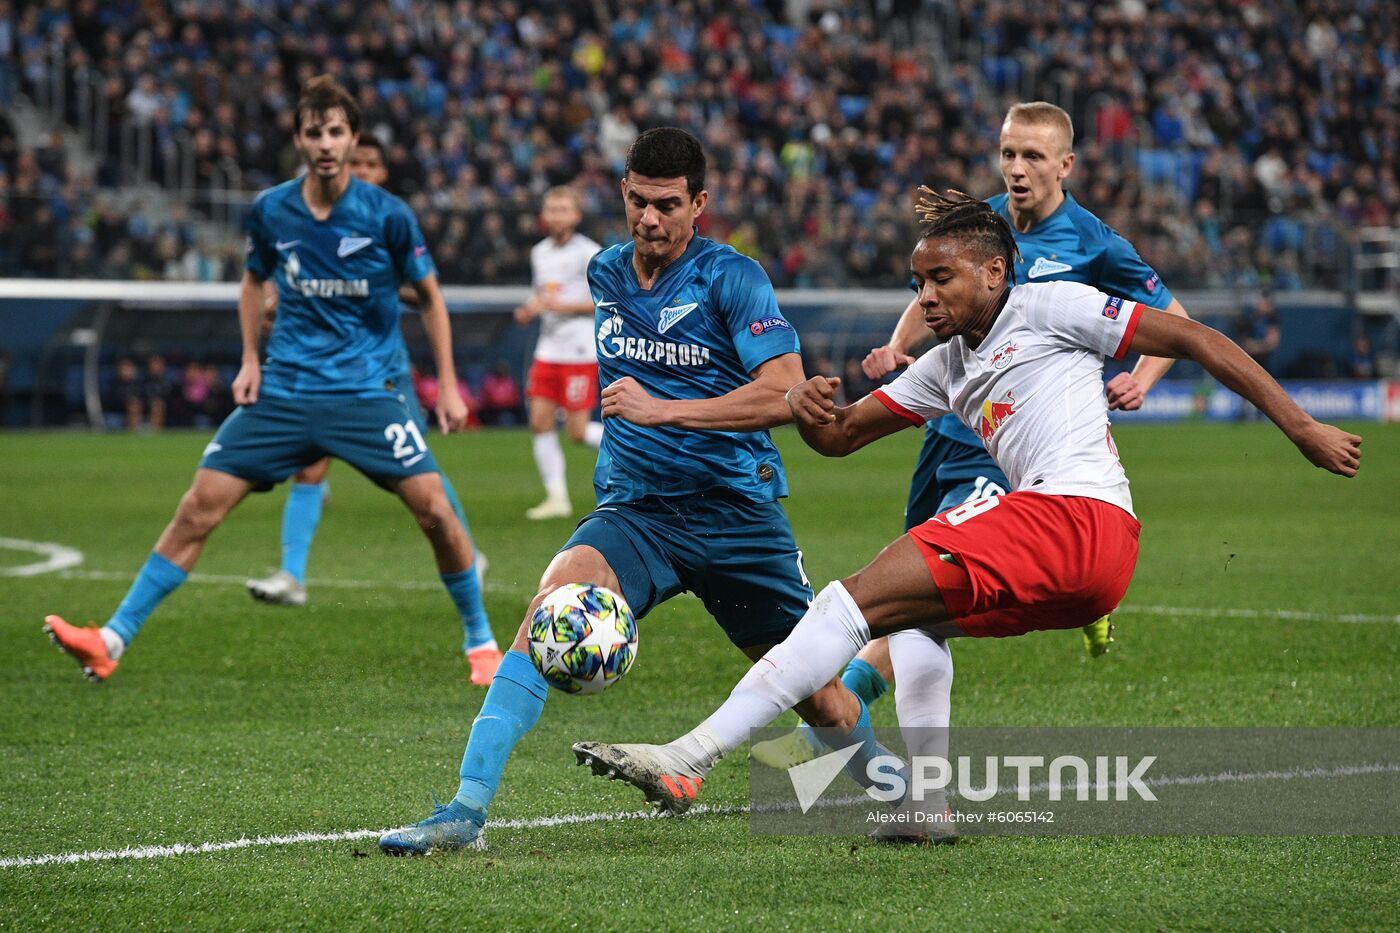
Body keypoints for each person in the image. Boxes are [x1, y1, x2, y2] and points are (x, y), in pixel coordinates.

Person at [574, 190, 1362, 841]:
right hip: (1086, 565)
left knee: (847, 602)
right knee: (914, 623)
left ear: (993, 271)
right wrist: (803, 405)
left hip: (1075, 517)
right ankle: (925, 806)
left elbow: (1193, 337)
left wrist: (1301, 427)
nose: (925, 298)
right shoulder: (945, 368)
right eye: (918, 283)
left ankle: (690, 753)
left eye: (941, 279)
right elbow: (842, 435)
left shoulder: (1053, 304)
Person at [378, 127, 874, 856]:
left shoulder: (733, 278)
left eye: (668, 205)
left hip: (736, 513)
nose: (650, 219)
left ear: (699, 203)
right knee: (549, 608)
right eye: (639, 201)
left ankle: (902, 792)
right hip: (637, 511)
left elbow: (786, 391)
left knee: (821, 697)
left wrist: (663, 408)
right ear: (622, 194)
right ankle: (464, 809)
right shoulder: (606, 271)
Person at [752, 101, 1196, 770]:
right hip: (949, 420)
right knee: (907, 598)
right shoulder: (984, 226)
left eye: (1033, 157)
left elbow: (1175, 317)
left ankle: (828, 746)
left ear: (1065, 166)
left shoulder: (1093, 242)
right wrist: (898, 344)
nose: (1017, 169)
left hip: (1010, 453)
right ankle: (843, 748)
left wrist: (1144, 378)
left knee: (913, 600)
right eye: (1009, 154)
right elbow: (933, 281)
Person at [43, 76, 497, 684]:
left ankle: (481, 642)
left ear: (352, 137)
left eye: (337, 131)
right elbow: (254, 281)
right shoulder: (271, 210)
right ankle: (111, 639)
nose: (327, 143)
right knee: (198, 508)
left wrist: (447, 383)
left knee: (436, 511)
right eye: (315, 132)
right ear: (300, 140)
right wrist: (250, 360)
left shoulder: (388, 216)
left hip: (364, 393)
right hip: (284, 391)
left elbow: (433, 299)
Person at [242, 135, 497, 684]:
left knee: (422, 476)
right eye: (354, 162)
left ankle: (468, 555)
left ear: (381, 171)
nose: (358, 170)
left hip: (380, 375)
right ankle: (292, 572)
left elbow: (421, 293)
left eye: (368, 164)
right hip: (321, 377)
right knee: (310, 467)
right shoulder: (311, 223)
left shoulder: (386, 222)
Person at [513, 186, 604, 520]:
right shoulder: (540, 252)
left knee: (577, 432)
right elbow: (542, 295)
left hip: (579, 350)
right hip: (548, 349)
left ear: (576, 215)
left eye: (564, 209)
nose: (556, 215)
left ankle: (635, 443)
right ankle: (557, 498)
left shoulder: (590, 253)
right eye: (552, 209)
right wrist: (529, 309)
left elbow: (603, 302)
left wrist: (560, 306)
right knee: (539, 421)